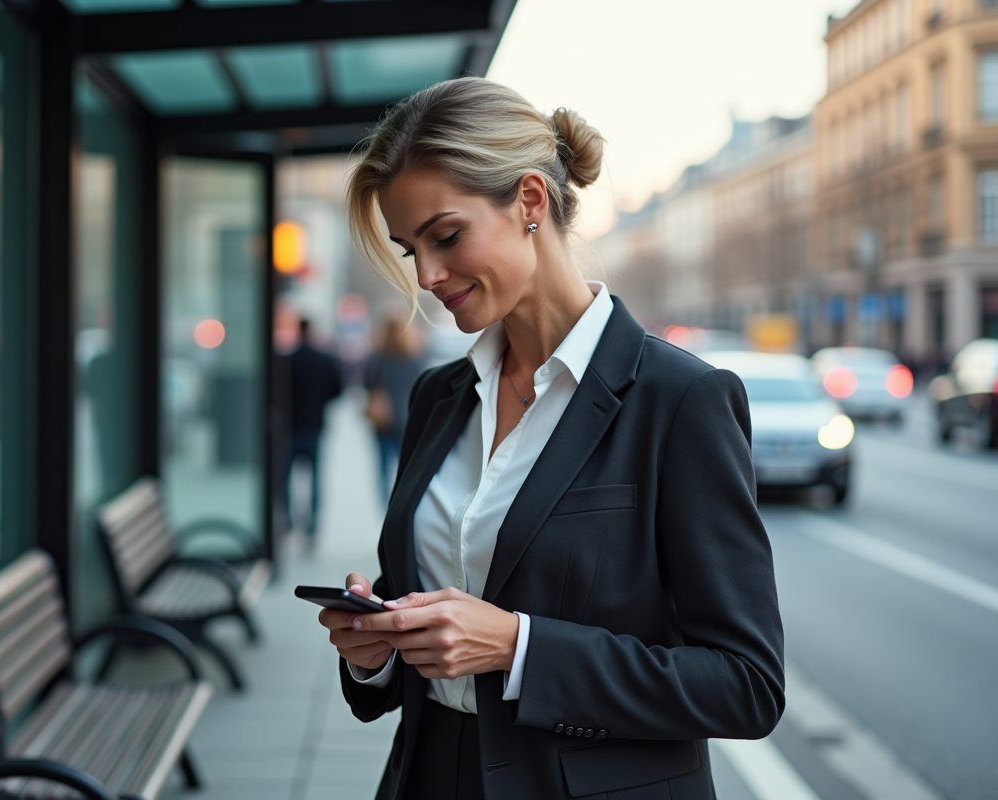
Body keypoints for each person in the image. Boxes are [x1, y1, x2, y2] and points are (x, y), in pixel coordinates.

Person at [316, 77, 784, 800]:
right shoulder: (438, 396)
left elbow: (746, 684)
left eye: (446, 236)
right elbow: (429, 638)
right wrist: (376, 649)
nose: (429, 275)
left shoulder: (680, 400)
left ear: (531, 201)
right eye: (411, 251)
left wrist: (517, 647)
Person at [283, 318, 344, 545]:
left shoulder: (287, 361)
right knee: (316, 480)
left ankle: (288, 521)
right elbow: (338, 390)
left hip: (290, 427)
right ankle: (312, 527)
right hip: (315, 426)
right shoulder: (325, 360)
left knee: (284, 479)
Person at [363, 314, 426, 501]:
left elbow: (368, 383)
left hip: (384, 420)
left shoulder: (378, 358)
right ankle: (403, 502)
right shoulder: (414, 358)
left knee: (383, 467)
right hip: (408, 419)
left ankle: (386, 505)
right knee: (407, 467)